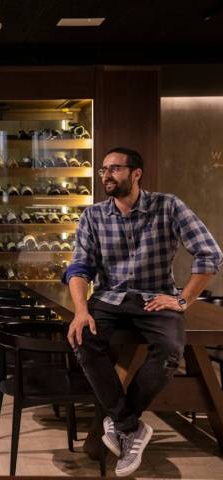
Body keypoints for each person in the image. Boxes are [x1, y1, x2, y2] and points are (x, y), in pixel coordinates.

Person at [63, 147, 222, 476]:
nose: (106, 175)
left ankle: (122, 425)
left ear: (136, 173)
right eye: (103, 169)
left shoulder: (168, 206)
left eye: (115, 169)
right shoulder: (93, 215)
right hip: (109, 297)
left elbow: (209, 253)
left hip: (156, 297)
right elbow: (79, 268)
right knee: (82, 336)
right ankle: (129, 425)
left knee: (169, 351)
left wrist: (182, 301)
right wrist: (80, 310)